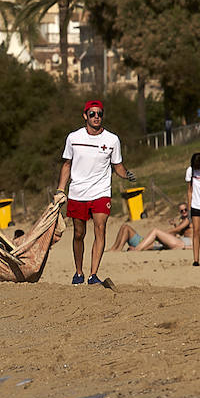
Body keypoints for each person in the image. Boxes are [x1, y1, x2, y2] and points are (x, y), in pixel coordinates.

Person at [56, 100, 135, 285]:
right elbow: (66, 165)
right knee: (78, 233)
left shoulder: (112, 139)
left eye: (99, 113)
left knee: (100, 228)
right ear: (85, 116)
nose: (96, 117)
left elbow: (118, 165)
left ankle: (93, 274)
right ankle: (78, 272)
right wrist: (60, 189)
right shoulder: (73, 138)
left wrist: (126, 175)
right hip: (78, 192)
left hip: (101, 192)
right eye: (92, 114)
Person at [110, 203, 190, 251]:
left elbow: (177, 230)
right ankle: (114, 248)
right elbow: (177, 230)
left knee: (126, 227)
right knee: (124, 227)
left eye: (185, 210)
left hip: (142, 243)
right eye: (181, 211)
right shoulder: (181, 222)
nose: (184, 212)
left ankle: (118, 248)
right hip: (144, 241)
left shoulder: (186, 220)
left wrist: (168, 231)